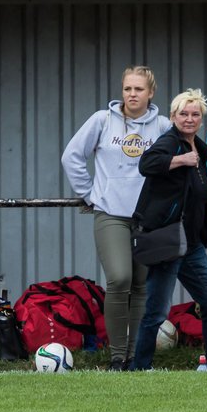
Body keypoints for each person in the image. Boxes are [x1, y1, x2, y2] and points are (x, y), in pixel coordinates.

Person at [62, 65, 171, 370]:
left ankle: (136, 356)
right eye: (127, 89)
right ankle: (117, 355)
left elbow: (174, 165)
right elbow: (72, 156)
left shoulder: (161, 125)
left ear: (150, 93)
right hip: (111, 213)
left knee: (141, 284)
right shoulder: (103, 120)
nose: (132, 94)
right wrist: (90, 193)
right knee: (119, 278)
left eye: (138, 89)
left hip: (147, 218)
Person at [131, 89, 207, 372]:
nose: (189, 119)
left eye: (195, 114)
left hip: (193, 243)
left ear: (201, 118)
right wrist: (180, 160)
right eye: (183, 114)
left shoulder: (199, 147)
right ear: (173, 117)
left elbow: (192, 197)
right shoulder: (170, 142)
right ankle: (141, 366)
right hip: (169, 241)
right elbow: (146, 163)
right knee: (157, 310)